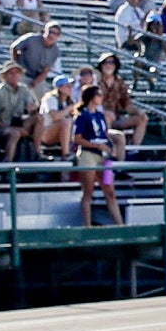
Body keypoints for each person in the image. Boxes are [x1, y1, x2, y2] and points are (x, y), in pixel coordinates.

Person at [73, 85, 124, 227]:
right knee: (88, 192)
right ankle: (87, 225)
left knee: (110, 191)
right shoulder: (82, 116)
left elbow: (103, 133)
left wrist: (110, 146)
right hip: (88, 155)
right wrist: (96, 146)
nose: (101, 97)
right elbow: (76, 138)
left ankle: (119, 225)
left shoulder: (100, 116)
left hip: (103, 157)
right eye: (98, 95)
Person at [0, 60, 40, 161]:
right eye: (10, 73)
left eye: (17, 72)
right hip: (1, 127)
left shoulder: (24, 90)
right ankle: (8, 161)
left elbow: (32, 108)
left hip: (20, 124)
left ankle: (37, 153)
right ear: (4, 76)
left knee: (39, 118)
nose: (14, 75)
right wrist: (9, 127)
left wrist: (33, 109)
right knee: (15, 133)